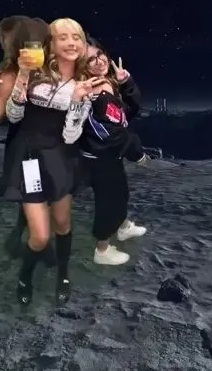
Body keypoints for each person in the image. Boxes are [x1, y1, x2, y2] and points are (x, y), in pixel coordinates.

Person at [3, 17, 105, 306]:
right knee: (40, 235)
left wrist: (77, 100)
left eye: (77, 37)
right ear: (51, 43)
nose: (72, 42)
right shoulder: (35, 74)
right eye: (63, 37)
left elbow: (72, 135)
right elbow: (13, 116)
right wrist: (22, 75)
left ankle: (63, 274)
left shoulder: (85, 84)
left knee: (62, 223)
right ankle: (25, 276)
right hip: (30, 158)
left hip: (61, 157)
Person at [0, 16, 56, 264]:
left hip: (48, 147)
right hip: (30, 151)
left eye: (3, 37)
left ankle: (21, 237)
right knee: (36, 196)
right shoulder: (10, 75)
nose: (0, 42)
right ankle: (37, 247)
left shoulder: (45, 70)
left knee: (43, 196)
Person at [65, 37, 149, 266]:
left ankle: (123, 228)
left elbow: (128, 113)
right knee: (109, 202)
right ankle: (102, 250)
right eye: (90, 59)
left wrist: (127, 83)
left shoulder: (108, 83)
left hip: (109, 155)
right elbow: (111, 133)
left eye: (100, 54)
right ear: (83, 65)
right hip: (99, 158)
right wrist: (137, 152)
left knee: (120, 193)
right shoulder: (93, 92)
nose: (99, 60)